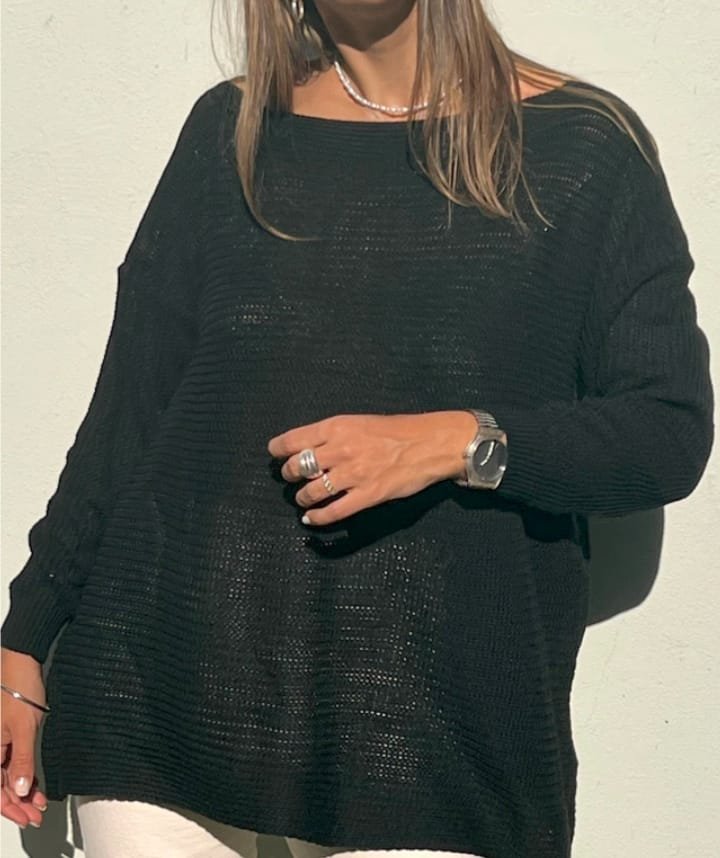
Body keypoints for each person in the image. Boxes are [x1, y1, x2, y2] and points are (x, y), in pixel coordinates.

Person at [1, 1, 714, 856]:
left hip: (431, 719)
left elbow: (665, 431)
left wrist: (454, 442)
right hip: (161, 685)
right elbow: (127, 417)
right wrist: (25, 638)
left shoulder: (585, 147)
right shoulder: (231, 132)